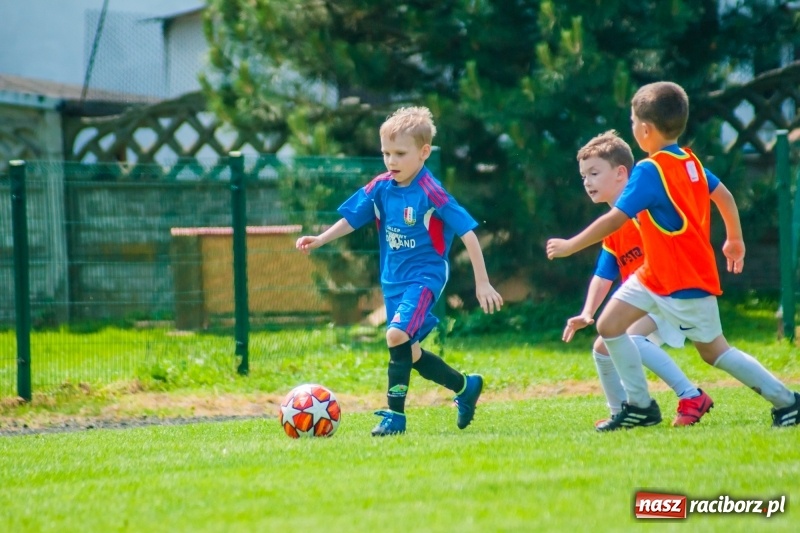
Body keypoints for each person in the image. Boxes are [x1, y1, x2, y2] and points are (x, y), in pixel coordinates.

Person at [547, 81, 799, 430]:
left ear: (645, 129)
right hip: (655, 275)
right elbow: (724, 195)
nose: (632, 127)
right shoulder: (690, 162)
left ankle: (788, 402)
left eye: (633, 121)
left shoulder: (650, 170)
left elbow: (615, 219)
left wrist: (570, 245)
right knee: (609, 325)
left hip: (682, 281)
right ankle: (640, 407)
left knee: (715, 352)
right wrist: (734, 238)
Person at [296, 106, 503, 436]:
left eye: (400, 154)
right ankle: (466, 387)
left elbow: (468, 233)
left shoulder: (431, 191)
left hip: (425, 277)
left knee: (395, 335)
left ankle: (395, 416)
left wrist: (483, 283)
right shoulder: (381, 187)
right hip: (392, 281)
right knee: (411, 351)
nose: (391, 161)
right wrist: (321, 239)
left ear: (424, 153)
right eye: (386, 153)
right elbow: (352, 219)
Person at [564, 130, 713, 429]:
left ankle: (692, 395)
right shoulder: (614, 226)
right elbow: (604, 274)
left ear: (621, 173)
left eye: (594, 173)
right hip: (646, 300)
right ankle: (623, 411)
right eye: (583, 176)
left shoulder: (641, 213)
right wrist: (587, 312)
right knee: (602, 347)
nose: (587, 182)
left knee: (628, 339)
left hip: (668, 292)